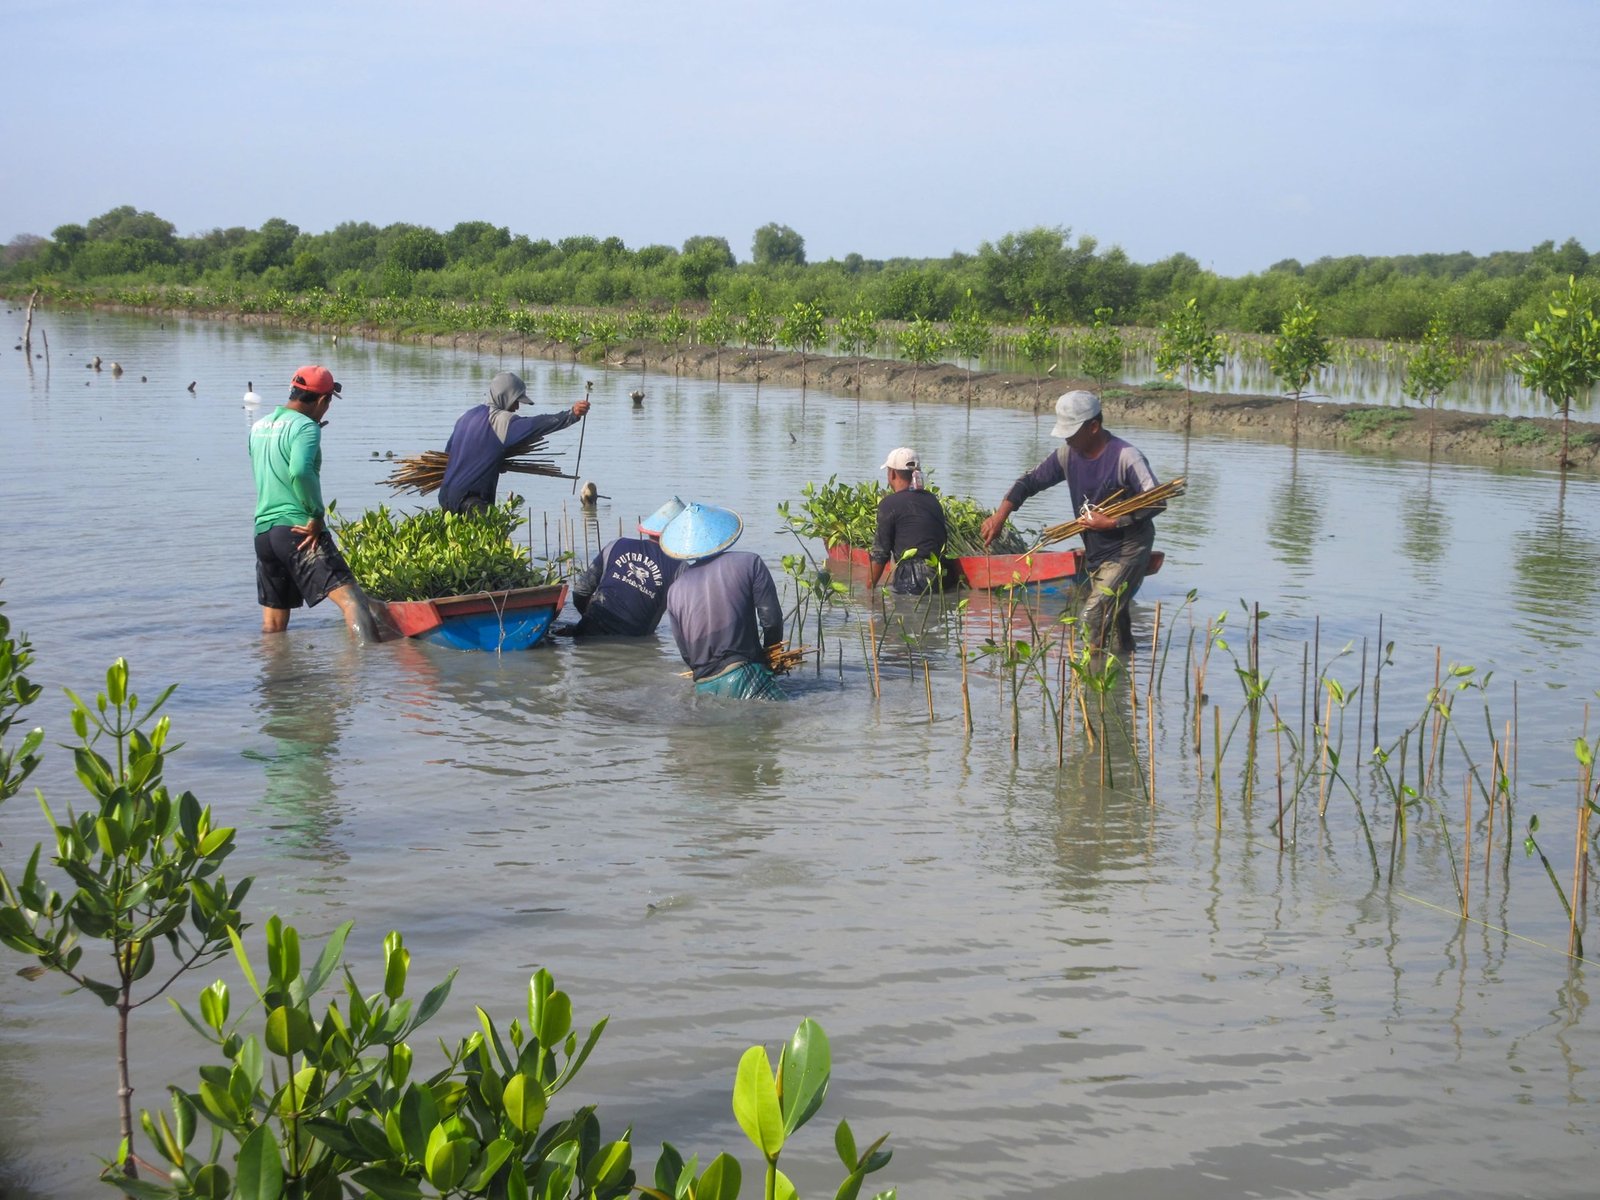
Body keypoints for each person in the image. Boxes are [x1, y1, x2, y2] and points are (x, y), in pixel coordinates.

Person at [979, 390, 1164, 652]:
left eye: (1072, 432)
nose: (1067, 438)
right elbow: (1028, 482)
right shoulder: (1067, 455)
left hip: (1127, 549)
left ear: (1094, 427)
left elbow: (1157, 500)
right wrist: (1000, 516)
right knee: (1114, 627)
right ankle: (1123, 669)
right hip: (1096, 550)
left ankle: (1090, 674)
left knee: (1091, 618)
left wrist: (1111, 522)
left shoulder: (1126, 457)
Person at [249, 365, 378, 640]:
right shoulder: (306, 427)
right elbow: (299, 471)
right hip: (299, 529)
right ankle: (366, 665)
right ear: (322, 399)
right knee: (354, 602)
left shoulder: (258, 427)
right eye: (328, 402)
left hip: (264, 534)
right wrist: (316, 515)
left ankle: (273, 668)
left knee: (273, 627)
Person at [661, 503, 787, 700]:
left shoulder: (674, 590)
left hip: (703, 686)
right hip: (744, 674)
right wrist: (770, 655)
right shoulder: (750, 562)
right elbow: (771, 620)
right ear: (720, 534)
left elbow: (685, 652)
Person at [437, 371, 591, 513]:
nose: (517, 407)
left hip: (445, 497)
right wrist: (571, 414)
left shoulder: (464, 417)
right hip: (471, 503)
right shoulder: (501, 421)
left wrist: (493, 463)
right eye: (515, 401)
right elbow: (536, 425)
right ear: (504, 396)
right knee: (494, 533)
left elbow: (448, 455)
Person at [565, 497, 685, 636]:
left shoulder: (616, 545)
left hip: (587, 632)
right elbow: (685, 614)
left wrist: (589, 618)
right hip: (634, 641)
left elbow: (580, 591)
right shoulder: (680, 567)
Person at [864, 447, 949, 595]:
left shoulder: (889, 504)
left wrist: (868, 592)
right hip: (941, 577)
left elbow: (880, 554)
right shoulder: (933, 500)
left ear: (892, 473)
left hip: (911, 580)